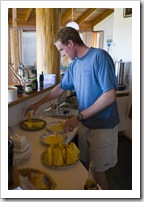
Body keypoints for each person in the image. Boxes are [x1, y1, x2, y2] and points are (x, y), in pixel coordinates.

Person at [25, 27, 120, 190]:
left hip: (103, 127)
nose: (62, 54)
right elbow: (60, 88)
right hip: (84, 124)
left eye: (62, 49)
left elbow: (109, 95)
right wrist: (37, 103)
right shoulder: (75, 65)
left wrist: (79, 117)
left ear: (71, 43)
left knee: (98, 171)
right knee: (83, 165)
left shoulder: (99, 57)